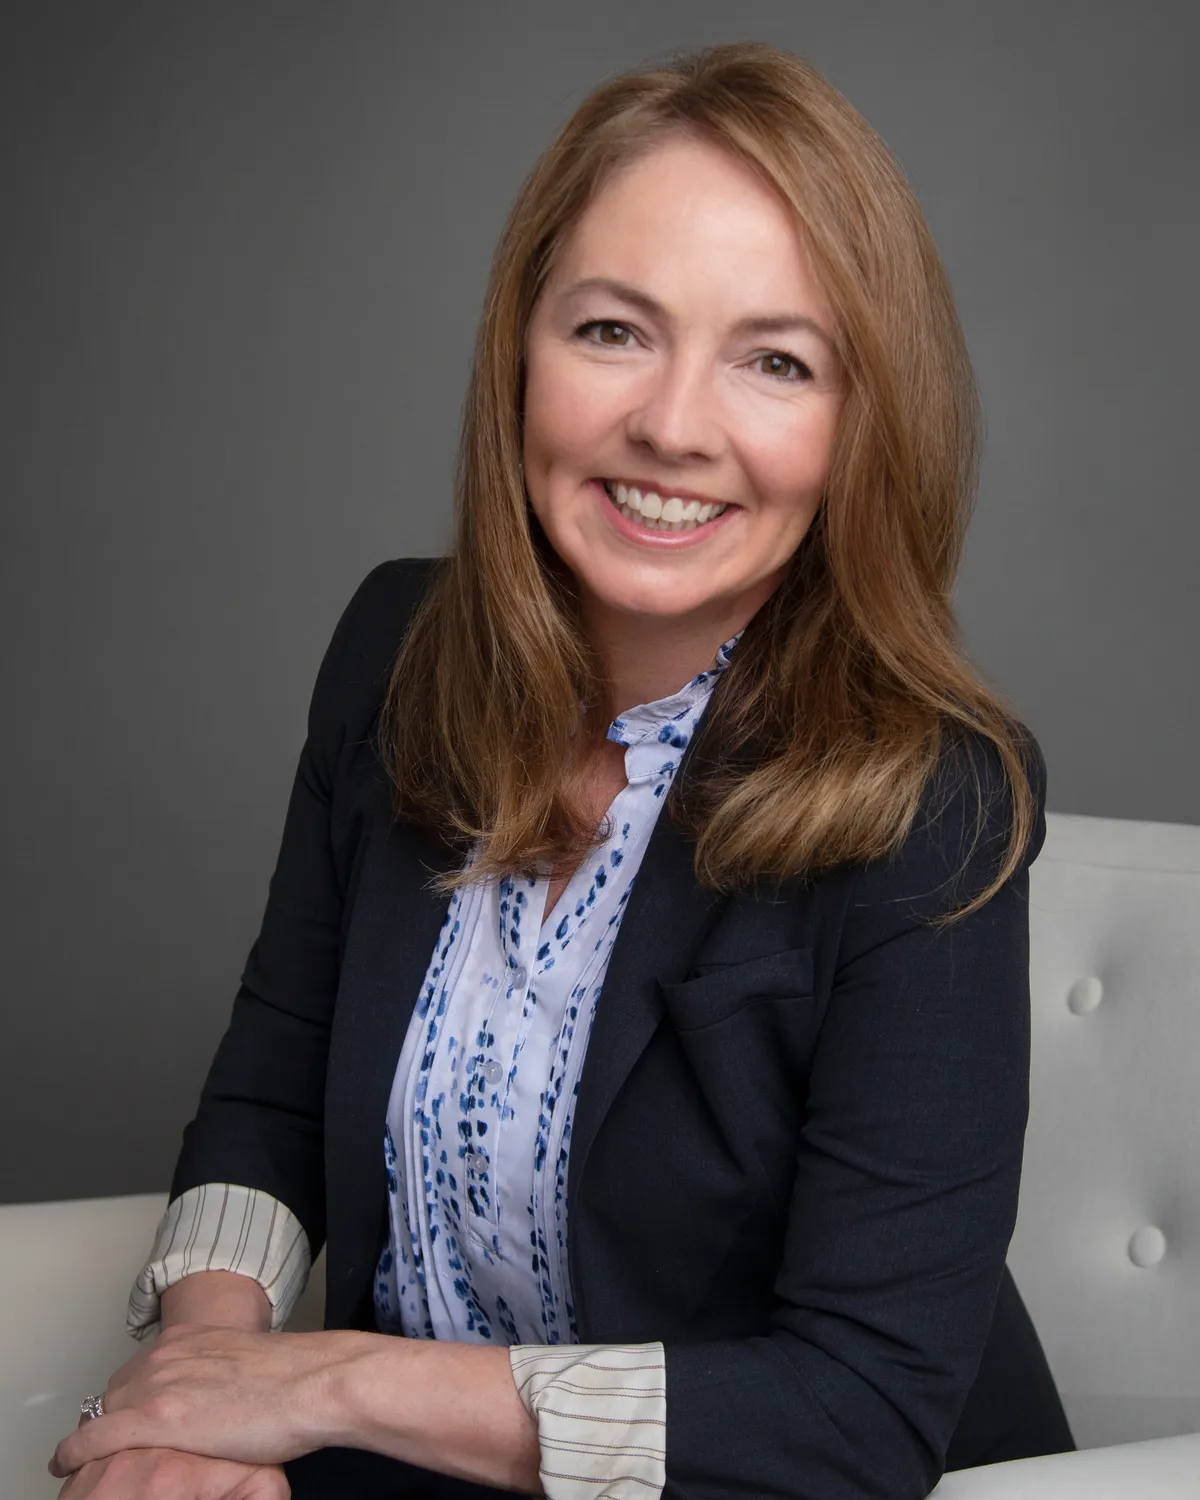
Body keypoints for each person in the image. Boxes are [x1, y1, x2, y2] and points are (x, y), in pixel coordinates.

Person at [50, 40, 1073, 1500]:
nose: (671, 425)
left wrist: (320, 1381)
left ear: (861, 426)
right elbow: (270, 1095)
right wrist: (191, 1395)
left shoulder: (941, 799)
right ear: (521, 347)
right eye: (613, 332)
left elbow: (856, 1413)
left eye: (777, 361)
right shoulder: (395, 649)